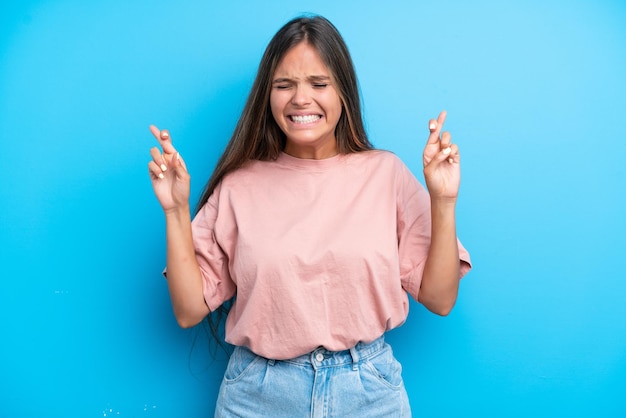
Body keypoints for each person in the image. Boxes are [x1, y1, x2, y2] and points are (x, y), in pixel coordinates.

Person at [148, 15, 471, 417]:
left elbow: (440, 299)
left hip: (369, 395)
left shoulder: (386, 175)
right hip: (258, 397)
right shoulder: (238, 186)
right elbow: (188, 310)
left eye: (319, 84)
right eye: (284, 85)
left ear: (343, 93)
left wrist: (442, 200)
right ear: (268, 95)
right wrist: (176, 209)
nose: (301, 99)